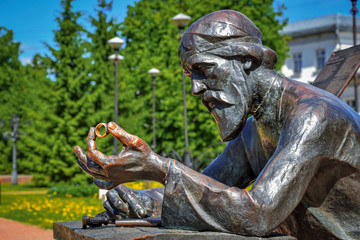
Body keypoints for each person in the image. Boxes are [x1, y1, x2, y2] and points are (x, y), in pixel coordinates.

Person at [74, 10, 360, 239]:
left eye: (204, 70)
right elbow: (210, 187)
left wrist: (159, 168)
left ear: (246, 60)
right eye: (191, 77)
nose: (196, 89)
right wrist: (140, 199)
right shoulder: (254, 130)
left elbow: (258, 213)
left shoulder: (313, 116)